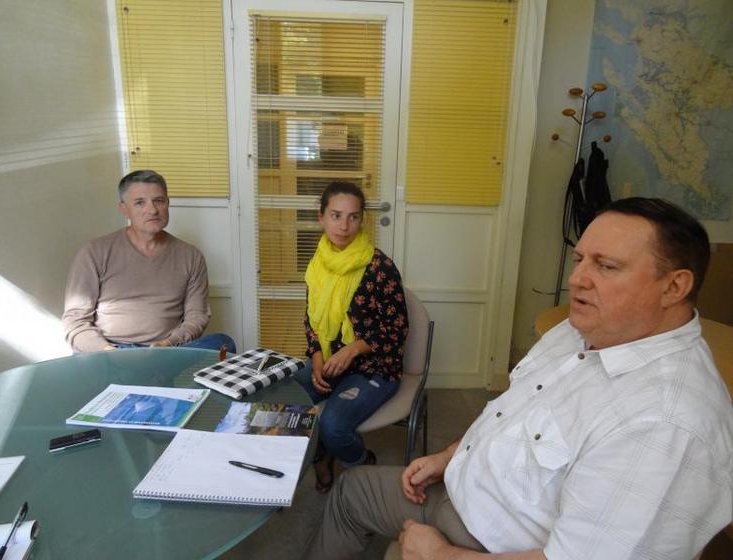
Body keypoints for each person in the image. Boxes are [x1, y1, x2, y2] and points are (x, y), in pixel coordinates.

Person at [303, 197, 733, 560]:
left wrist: (441, 554)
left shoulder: (665, 423)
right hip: (461, 492)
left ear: (674, 287)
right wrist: (449, 456)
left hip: (488, 544)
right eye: (580, 259)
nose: (577, 278)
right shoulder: (578, 331)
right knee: (351, 492)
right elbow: (513, 414)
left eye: (607, 266)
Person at [294, 181, 408, 493]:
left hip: (374, 368)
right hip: (328, 359)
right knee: (281, 402)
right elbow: (312, 319)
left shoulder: (380, 267)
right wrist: (317, 358)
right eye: (336, 215)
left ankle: (362, 466)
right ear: (321, 217)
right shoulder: (318, 263)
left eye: (353, 217)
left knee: (333, 425)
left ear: (362, 220)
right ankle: (321, 454)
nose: (344, 226)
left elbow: (397, 330)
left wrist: (354, 349)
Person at [62, 169, 235, 353]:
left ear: (168, 203)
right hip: (111, 349)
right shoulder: (94, 252)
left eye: (159, 201)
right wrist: (106, 350)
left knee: (223, 343)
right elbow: (75, 320)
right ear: (124, 209)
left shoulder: (191, 256)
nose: (152, 210)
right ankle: (151, 377)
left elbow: (197, 316)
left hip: (165, 350)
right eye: (140, 203)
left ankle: (149, 375)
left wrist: (168, 344)